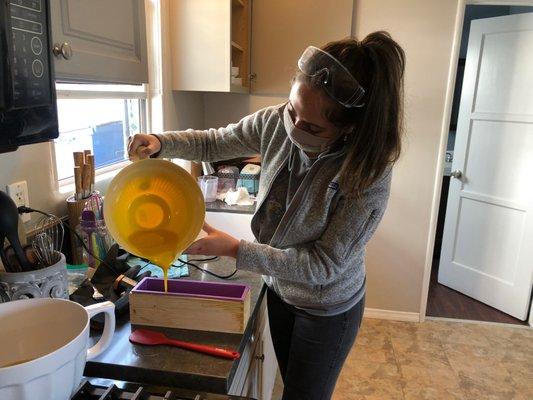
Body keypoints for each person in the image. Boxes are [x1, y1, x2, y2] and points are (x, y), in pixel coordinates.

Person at [128, 31, 405, 400]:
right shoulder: (277, 122)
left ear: (349, 129)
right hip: (279, 290)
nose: (293, 127)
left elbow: (322, 266)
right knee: (290, 386)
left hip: (326, 309)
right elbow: (215, 141)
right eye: (292, 110)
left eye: (312, 126)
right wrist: (163, 142)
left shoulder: (367, 173)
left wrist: (236, 249)